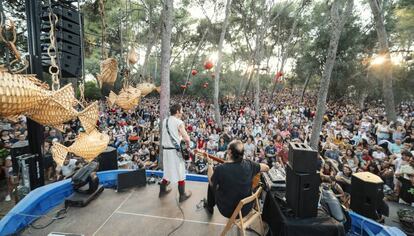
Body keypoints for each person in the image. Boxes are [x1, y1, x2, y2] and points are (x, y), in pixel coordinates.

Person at [203, 140, 269, 217]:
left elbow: (211, 183)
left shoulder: (220, 169)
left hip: (228, 211)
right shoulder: (249, 164)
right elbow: (266, 168)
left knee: (212, 182)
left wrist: (210, 165)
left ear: (230, 152)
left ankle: (210, 206)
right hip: (246, 208)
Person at [159, 104, 192, 202]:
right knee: (180, 172)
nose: (182, 112)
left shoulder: (165, 120)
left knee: (167, 171)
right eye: (181, 110)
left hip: (166, 151)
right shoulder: (179, 122)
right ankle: (182, 195)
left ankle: (162, 191)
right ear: (177, 111)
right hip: (175, 151)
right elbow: (187, 138)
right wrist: (188, 144)